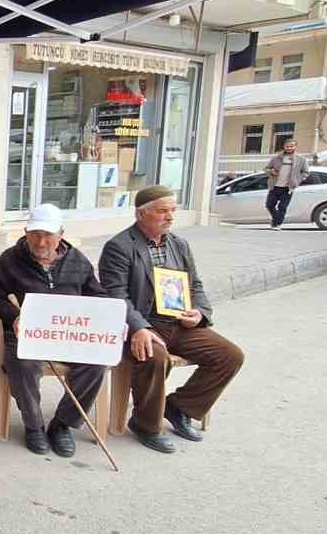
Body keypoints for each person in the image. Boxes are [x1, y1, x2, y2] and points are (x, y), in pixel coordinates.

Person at [98, 186, 245, 454]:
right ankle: (145, 425)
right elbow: (115, 295)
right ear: (141, 214)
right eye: (162, 211)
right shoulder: (118, 247)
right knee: (154, 358)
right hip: (142, 323)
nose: (169, 217)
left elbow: (194, 285)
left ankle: (179, 408)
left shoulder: (178, 244)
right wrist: (139, 327)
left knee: (230, 355)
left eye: (172, 211)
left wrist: (199, 313)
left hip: (177, 322)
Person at [0, 204, 109, 457]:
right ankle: (34, 426)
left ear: (61, 234)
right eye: (36, 234)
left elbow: (99, 297)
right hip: (26, 334)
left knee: (96, 363)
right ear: (26, 232)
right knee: (23, 363)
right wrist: (14, 316)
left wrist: (107, 321)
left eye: (48, 235)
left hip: (68, 334)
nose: (41, 242)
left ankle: (62, 424)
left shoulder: (77, 261)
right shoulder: (10, 260)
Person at [264, 137, 311, 228]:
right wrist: (271, 172)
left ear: (295, 147)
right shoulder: (276, 158)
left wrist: (297, 180)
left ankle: (277, 224)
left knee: (282, 207)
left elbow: (306, 172)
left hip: (288, 188)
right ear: (284, 147)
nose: (289, 148)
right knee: (269, 205)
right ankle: (277, 219)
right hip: (275, 186)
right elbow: (266, 168)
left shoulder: (301, 159)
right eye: (287, 146)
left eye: (291, 146)